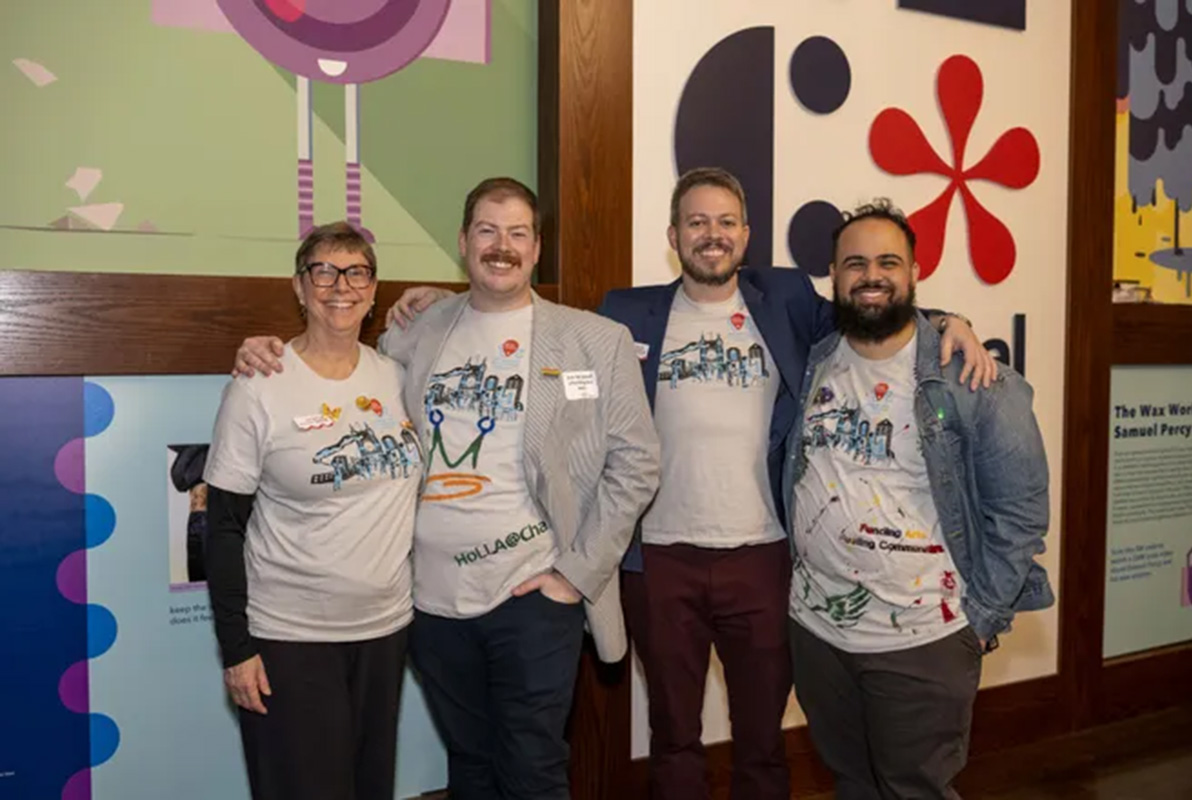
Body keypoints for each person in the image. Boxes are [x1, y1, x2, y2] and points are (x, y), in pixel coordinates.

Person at [385, 168, 996, 800]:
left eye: (726, 222)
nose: (712, 235)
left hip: (763, 556)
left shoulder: (784, 301)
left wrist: (951, 319)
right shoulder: (626, 314)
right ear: (673, 236)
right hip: (659, 561)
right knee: (673, 735)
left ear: (746, 235)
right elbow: (516, 321)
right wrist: (438, 299)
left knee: (762, 739)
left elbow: (871, 304)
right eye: (697, 223)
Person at [231, 177, 660, 800]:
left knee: (534, 770)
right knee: (470, 766)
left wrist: (575, 574)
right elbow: (340, 369)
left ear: (537, 248)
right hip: (432, 603)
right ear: (464, 243)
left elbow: (637, 463)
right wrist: (262, 351)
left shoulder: (595, 341)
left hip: (535, 592)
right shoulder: (417, 331)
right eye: (487, 231)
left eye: (517, 233)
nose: (501, 246)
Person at [783, 200, 1052, 799]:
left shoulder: (975, 380)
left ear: (914, 272)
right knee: (851, 783)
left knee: (916, 789)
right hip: (818, 632)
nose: (871, 276)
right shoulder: (817, 359)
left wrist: (979, 619)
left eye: (888, 262)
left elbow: (1021, 514)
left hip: (924, 639)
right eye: (855, 264)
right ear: (833, 274)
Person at [204, 222, 424, 800]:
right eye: (322, 271)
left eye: (356, 271)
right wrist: (237, 648)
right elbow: (223, 528)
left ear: (375, 290)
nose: (339, 285)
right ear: (299, 288)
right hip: (291, 638)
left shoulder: (396, 377)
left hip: (385, 631)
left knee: (370, 787)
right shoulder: (260, 386)